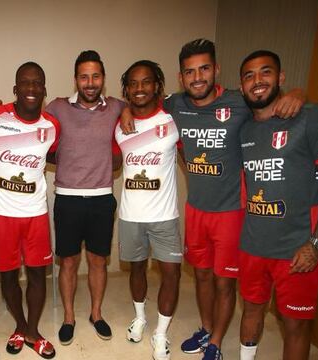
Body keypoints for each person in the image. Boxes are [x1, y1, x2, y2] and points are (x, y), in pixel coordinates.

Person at [120, 39, 304, 360]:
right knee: (202, 275)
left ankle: (216, 344)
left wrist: (298, 94)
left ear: (216, 70)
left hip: (230, 212)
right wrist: (125, 109)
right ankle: (207, 330)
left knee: (224, 283)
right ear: (181, 77)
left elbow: (270, 101)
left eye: (204, 68)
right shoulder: (176, 104)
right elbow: (143, 99)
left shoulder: (239, 102)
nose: (197, 77)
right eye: (189, 71)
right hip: (196, 211)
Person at [0, 51, 126, 345]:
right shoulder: (57, 110)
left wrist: (127, 110)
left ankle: (96, 314)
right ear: (75, 79)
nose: (90, 82)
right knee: (68, 262)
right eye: (84, 76)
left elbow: (134, 106)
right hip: (66, 198)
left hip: (101, 198)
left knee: (98, 261)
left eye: (95, 76)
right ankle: (68, 318)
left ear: (103, 80)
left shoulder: (114, 108)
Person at [238, 50, 318, 360]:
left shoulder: (312, 116)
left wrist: (316, 244)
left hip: (297, 250)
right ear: (242, 85)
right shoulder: (244, 127)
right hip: (252, 245)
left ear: (281, 77)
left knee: (295, 326)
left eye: (265, 72)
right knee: (251, 311)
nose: (257, 81)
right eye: (249, 76)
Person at [0, 62, 59, 359]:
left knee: (39, 275)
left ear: (44, 88)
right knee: (8, 277)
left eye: (37, 83)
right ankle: (20, 325)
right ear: (15, 89)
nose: (31, 88)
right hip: (1, 214)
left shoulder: (52, 125)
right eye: (25, 83)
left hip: (36, 214)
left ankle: (33, 332)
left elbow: (58, 156)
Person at [114, 60, 183, 360]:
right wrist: (122, 110)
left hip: (165, 216)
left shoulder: (173, 118)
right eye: (133, 83)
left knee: (172, 274)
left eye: (146, 82)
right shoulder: (119, 124)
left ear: (157, 85)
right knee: (137, 269)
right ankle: (140, 318)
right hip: (131, 216)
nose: (139, 88)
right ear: (126, 89)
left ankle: (161, 333)